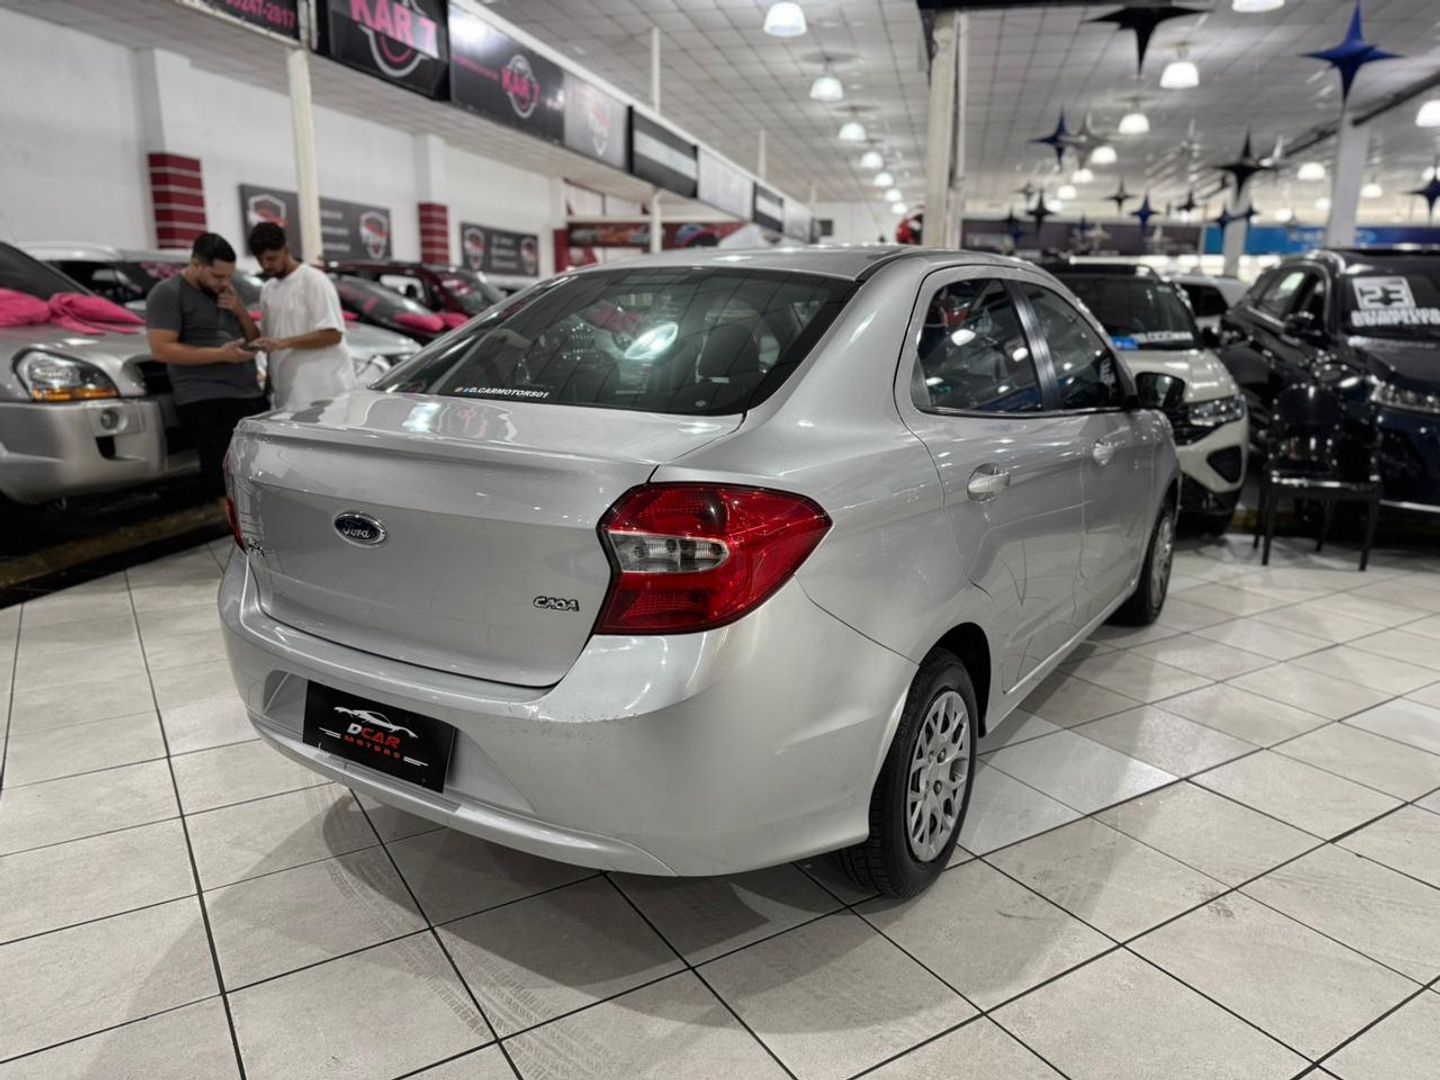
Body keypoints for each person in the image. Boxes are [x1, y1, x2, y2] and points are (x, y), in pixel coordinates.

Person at [145, 232, 266, 504]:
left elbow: (254, 340)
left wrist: (239, 310)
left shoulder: (226, 292)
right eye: (217, 276)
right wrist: (221, 354)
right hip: (206, 397)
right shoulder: (168, 293)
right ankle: (240, 530)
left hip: (247, 392)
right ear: (196, 264)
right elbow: (161, 349)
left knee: (261, 475)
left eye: (229, 276)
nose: (224, 283)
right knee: (226, 480)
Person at [246, 222, 356, 410]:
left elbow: (332, 334)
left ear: (286, 249)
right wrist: (269, 388)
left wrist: (284, 343)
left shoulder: (313, 280)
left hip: (323, 393)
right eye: (260, 259)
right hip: (288, 395)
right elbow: (271, 345)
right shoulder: (268, 289)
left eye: (271, 258)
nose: (265, 265)